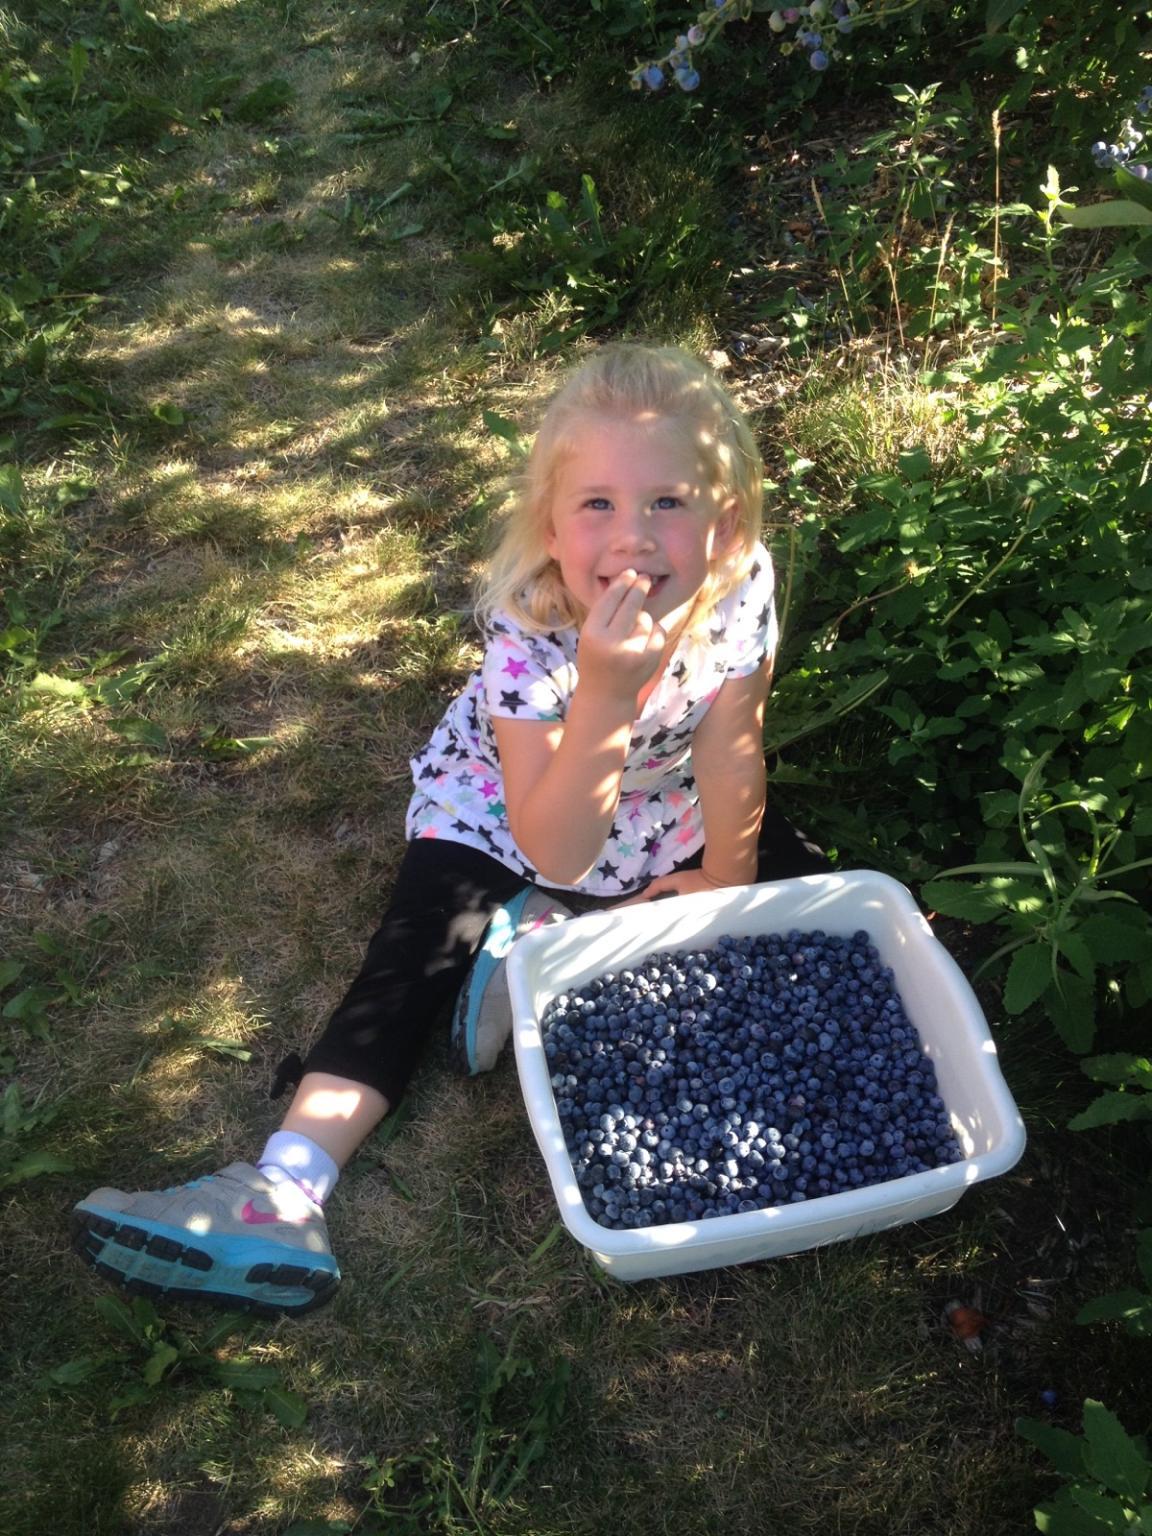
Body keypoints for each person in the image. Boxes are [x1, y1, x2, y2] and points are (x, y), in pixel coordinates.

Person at [71, 344, 830, 1317]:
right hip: (513, 808)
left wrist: (726, 878)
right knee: (414, 947)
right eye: (596, 504)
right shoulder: (532, 622)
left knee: (802, 897)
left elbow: (730, 746)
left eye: (668, 503)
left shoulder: (738, 589)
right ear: (550, 526)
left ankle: (546, 948)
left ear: (724, 528)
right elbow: (555, 839)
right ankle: (285, 1187)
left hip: (659, 801)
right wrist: (602, 695)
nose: (632, 538)